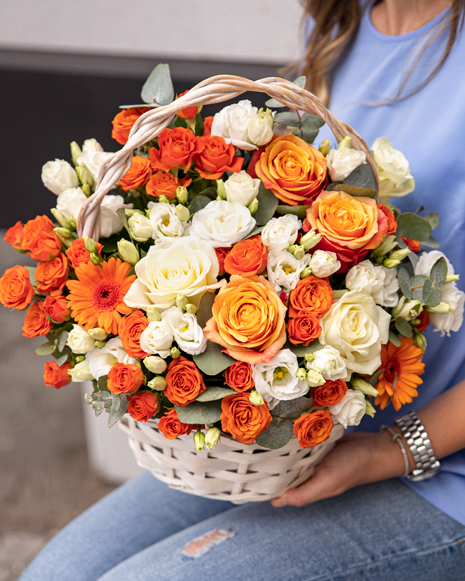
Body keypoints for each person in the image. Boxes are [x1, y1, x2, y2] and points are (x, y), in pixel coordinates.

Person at [20, 1, 465, 579]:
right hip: (314, 432)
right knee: (56, 573)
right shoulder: (340, 25)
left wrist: (388, 453)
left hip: (439, 475)